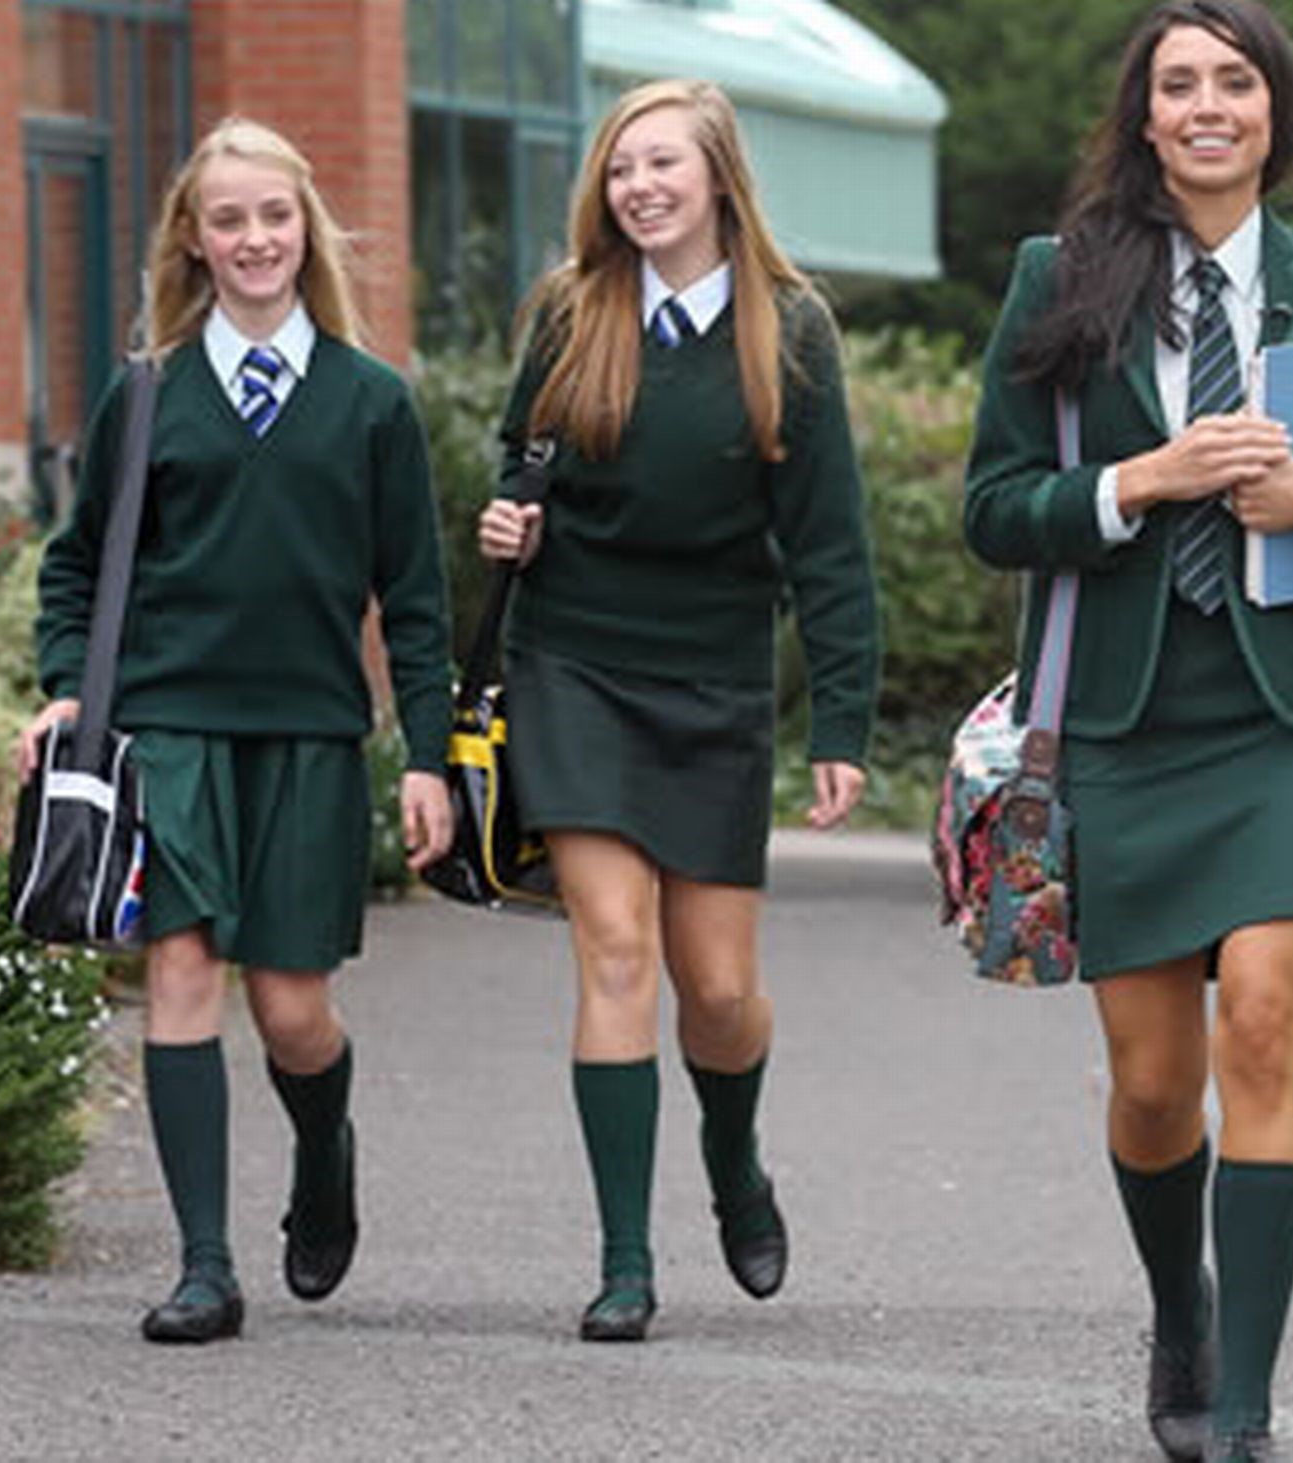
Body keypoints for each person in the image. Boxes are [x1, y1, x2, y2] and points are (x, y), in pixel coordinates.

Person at [963, 4, 1293, 1456]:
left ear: (1273, 112)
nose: (1205, 106)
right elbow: (995, 506)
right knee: (1153, 1080)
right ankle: (1179, 1304)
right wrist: (1145, 477)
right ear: (1142, 117)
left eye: (1232, 82)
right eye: (1176, 84)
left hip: (1284, 714)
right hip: (1119, 714)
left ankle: (1242, 1399)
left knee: (1260, 1024)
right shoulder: (1058, 278)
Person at [19, 117, 454, 1344]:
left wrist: (425, 756)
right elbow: (76, 566)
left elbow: (416, 602)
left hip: (311, 731)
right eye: (228, 220)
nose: (254, 237)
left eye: (274, 215)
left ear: (303, 227)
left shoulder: (372, 404)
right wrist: (67, 685)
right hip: (168, 724)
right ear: (194, 243)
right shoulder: (148, 393)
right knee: (180, 969)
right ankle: (204, 1264)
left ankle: (326, 1152)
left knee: (293, 1007)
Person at [477, 78, 879, 1344]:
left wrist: (844, 726)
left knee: (717, 988)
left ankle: (734, 1154)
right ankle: (624, 1259)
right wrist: (507, 523)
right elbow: (516, 468)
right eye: (619, 170)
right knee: (614, 947)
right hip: (574, 663)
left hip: (712, 679)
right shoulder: (569, 313)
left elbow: (830, 547)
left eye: (660, 166)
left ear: (716, 179)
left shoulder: (790, 330)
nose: (638, 188)